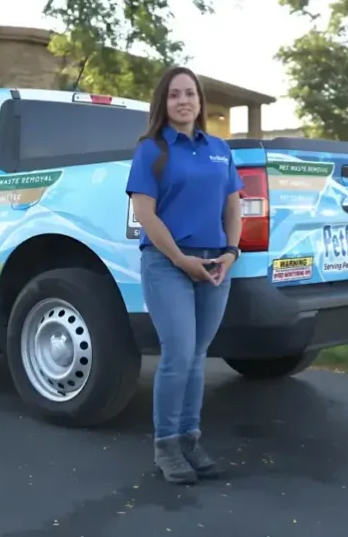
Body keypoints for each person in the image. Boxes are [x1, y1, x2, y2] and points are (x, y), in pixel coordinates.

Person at [125, 66, 243, 485]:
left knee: (196, 357)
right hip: (167, 263)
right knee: (177, 355)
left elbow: (233, 207)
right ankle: (167, 447)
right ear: (164, 103)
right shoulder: (152, 150)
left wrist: (231, 253)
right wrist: (179, 259)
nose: (183, 101)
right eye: (174, 95)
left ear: (199, 101)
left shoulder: (219, 149)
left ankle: (191, 441)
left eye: (189, 93)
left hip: (216, 264)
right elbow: (144, 214)